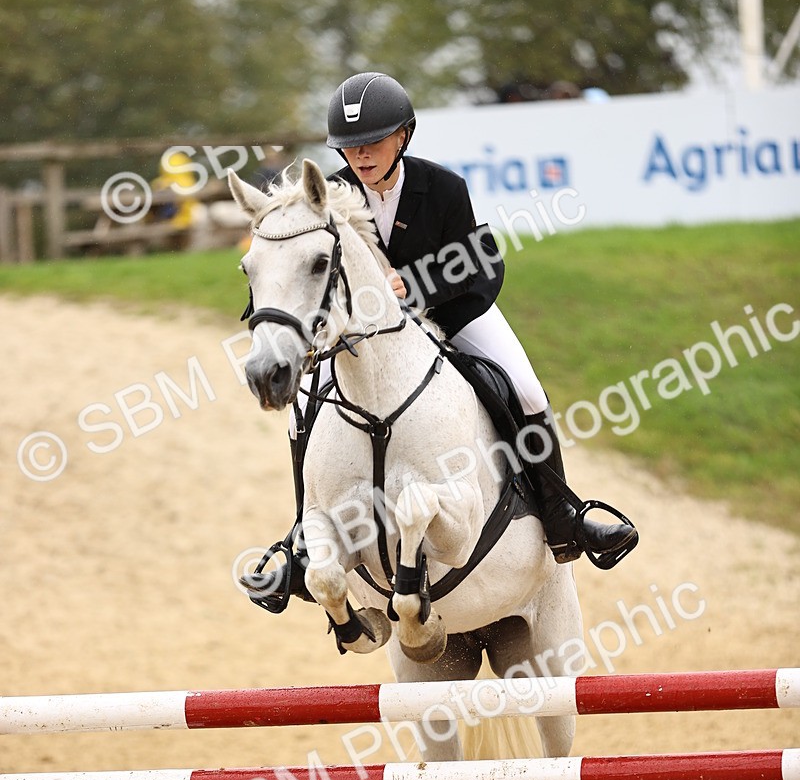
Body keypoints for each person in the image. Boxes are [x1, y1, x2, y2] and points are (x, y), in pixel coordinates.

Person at [245, 72, 636, 612]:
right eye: (350, 147)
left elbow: (481, 263)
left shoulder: (443, 187)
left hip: (452, 312)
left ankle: (561, 515)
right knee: (302, 410)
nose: (360, 156)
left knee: (524, 388)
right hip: (366, 333)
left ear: (403, 136)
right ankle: (300, 543)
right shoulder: (329, 195)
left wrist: (418, 286)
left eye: (373, 143)